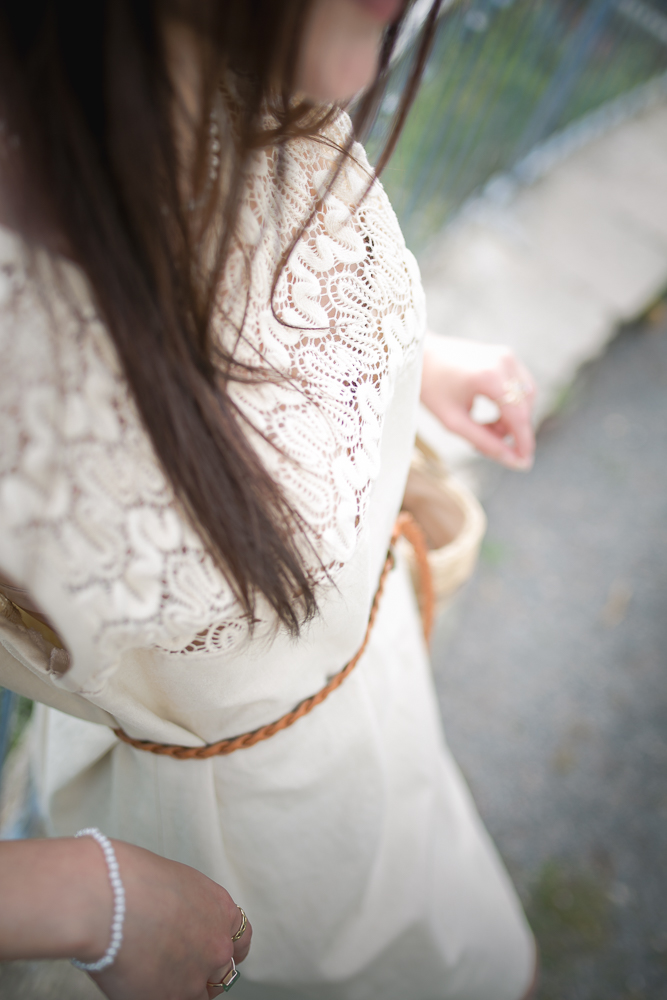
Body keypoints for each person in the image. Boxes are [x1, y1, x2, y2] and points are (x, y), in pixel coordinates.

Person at [0, 1, 537, 997]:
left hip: (377, 714)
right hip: (214, 843)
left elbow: (228, 324)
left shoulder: (251, 74)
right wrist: (82, 899)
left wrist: (399, 355)